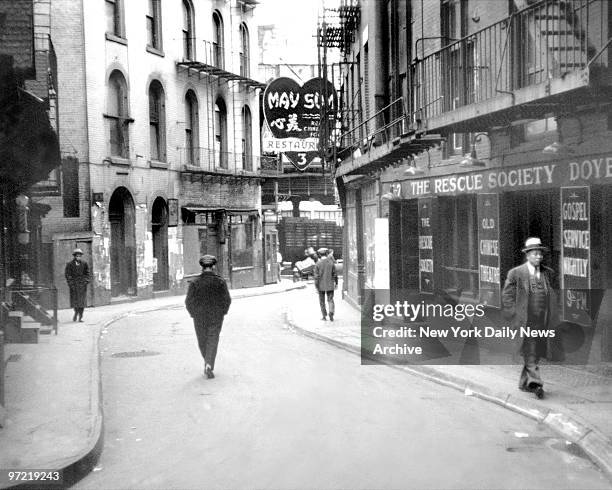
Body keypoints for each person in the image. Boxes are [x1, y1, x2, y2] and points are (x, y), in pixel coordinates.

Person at [502, 237, 562, 399]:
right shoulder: (516, 273)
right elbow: (507, 296)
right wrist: (514, 314)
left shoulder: (548, 273)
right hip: (525, 321)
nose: (539, 257)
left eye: (540, 254)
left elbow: (554, 295)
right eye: (535, 254)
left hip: (543, 321)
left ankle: (524, 383)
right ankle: (536, 384)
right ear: (527, 255)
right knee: (531, 349)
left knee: (535, 351)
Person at [185, 255, 231, 379]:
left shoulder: (195, 282)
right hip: (216, 316)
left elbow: (188, 301)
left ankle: (207, 361)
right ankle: (209, 363)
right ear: (213, 266)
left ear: (202, 267)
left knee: (202, 341)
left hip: (199, 317)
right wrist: (223, 312)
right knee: (213, 339)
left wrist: (193, 313)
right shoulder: (220, 281)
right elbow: (227, 300)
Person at [65, 248, 90, 322]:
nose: (78, 257)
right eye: (77, 256)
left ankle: (81, 317)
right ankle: (76, 312)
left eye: (80, 256)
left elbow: (87, 273)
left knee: (82, 302)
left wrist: (86, 281)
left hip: (82, 286)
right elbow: (67, 275)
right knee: (75, 302)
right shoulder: (69, 264)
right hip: (74, 286)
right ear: (74, 256)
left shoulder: (84, 263)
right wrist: (71, 284)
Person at [314, 247, 338, 321]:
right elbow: (335, 274)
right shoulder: (331, 263)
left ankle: (324, 316)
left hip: (321, 285)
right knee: (330, 300)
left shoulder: (318, 264)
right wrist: (336, 283)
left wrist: (316, 286)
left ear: (320, 255)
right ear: (326, 253)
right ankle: (331, 312)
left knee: (322, 301)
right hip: (330, 284)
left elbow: (316, 277)